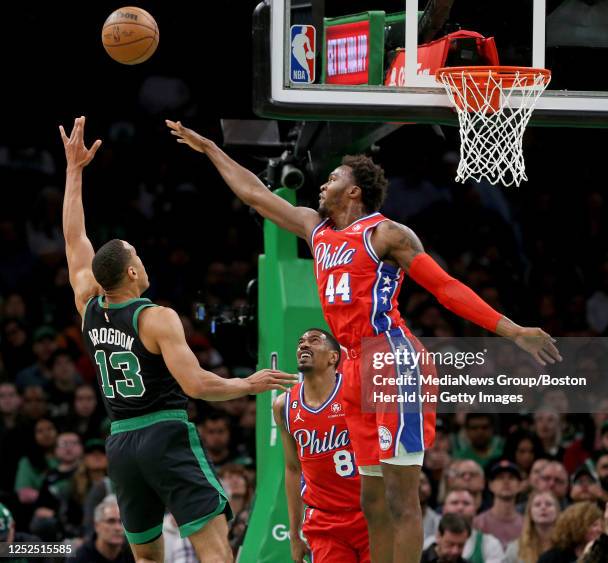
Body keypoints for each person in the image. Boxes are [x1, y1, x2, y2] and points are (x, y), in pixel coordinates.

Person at [167, 119, 561, 563]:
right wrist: (210, 150)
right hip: (352, 365)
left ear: (354, 191)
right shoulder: (317, 231)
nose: (323, 183)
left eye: (334, 178)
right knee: (370, 499)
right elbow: (255, 192)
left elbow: (446, 288)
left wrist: (512, 330)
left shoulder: (385, 234)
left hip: (391, 357)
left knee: (399, 496)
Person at [60, 116, 298, 563]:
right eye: (139, 259)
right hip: (163, 433)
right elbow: (197, 386)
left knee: (148, 558)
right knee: (216, 553)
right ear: (133, 272)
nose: (144, 263)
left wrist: (74, 171)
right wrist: (249, 385)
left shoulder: (88, 304)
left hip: (121, 444)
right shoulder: (155, 318)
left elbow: (75, 237)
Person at [273, 328, 370, 562]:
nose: (304, 345)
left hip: (370, 513)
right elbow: (292, 469)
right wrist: (294, 535)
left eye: (314, 341)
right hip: (324, 522)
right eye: (300, 342)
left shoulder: (357, 393)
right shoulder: (283, 405)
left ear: (333, 357)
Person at [424, 488, 505, 563]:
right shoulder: (426, 544)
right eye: (454, 503)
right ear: (444, 508)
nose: (460, 507)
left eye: (466, 503)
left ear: (475, 509)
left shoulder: (490, 543)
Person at [472, 460, 524, 549]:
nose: (506, 482)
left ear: (520, 485)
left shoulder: (526, 525)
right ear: (490, 485)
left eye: (511, 478)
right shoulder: (478, 523)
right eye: (500, 478)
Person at [536, 501, 603, 563]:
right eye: (594, 525)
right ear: (576, 526)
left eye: (601, 525)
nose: (600, 529)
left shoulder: (606, 554)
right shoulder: (552, 558)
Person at [74, 495, 134, 563]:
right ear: (97, 526)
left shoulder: (132, 555)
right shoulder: (80, 558)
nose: (118, 528)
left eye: (121, 522)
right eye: (111, 521)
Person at [505, 491, 560, 563]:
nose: (543, 507)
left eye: (548, 504)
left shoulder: (567, 545)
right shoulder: (516, 548)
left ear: (557, 512)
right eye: (537, 505)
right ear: (530, 513)